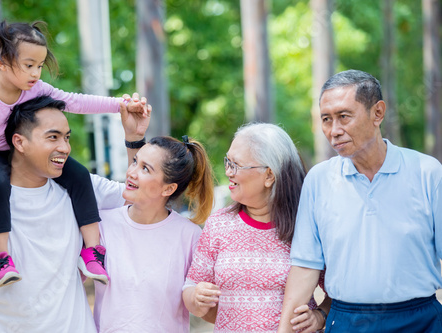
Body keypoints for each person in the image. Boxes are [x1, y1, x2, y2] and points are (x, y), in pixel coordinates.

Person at [0, 20, 147, 288]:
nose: (36, 73)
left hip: (30, 154)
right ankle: (1, 258)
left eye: (39, 65)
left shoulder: (35, 89)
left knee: (81, 175)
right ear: (2, 62)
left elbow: (75, 101)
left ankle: (92, 251)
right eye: (29, 65)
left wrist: (120, 104)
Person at [0, 95, 150, 332]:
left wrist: (134, 140)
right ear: (19, 143)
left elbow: (141, 197)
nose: (65, 147)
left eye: (67, 137)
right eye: (53, 137)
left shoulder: (80, 189)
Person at [0, 135, 215, 332]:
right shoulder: (101, 225)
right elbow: (57, 279)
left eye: (145, 168)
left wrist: (201, 300)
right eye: (135, 162)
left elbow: (201, 302)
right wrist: (0, 306)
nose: (132, 172)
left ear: (169, 188)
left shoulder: (191, 236)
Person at [278, 69, 442, 333]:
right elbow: (305, 265)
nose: (334, 131)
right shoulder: (318, 180)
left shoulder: (428, 173)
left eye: (344, 117)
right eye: (326, 119)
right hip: (346, 322)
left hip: (421, 321)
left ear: (377, 113)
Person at [182, 123, 331, 333]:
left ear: (269, 175)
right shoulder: (219, 224)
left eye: (236, 165)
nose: (228, 172)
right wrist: (196, 297)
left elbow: (339, 291)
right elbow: (190, 287)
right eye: (228, 162)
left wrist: (320, 316)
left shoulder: (307, 226)